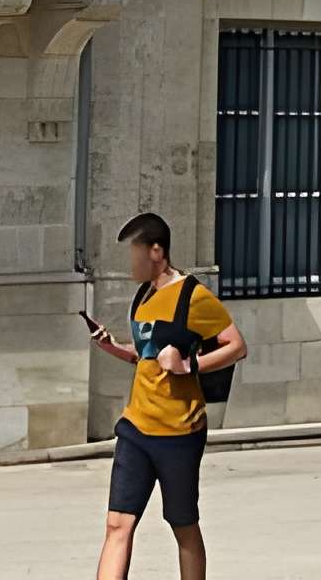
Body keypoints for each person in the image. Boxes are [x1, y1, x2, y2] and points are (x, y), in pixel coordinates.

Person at [85, 213, 244, 580]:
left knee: (183, 526)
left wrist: (190, 363)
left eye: (135, 252)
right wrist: (114, 347)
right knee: (117, 525)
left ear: (156, 251)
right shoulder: (144, 296)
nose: (130, 262)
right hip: (136, 428)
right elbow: (147, 355)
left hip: (179, 435)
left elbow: (237, 346)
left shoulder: (193, 296)